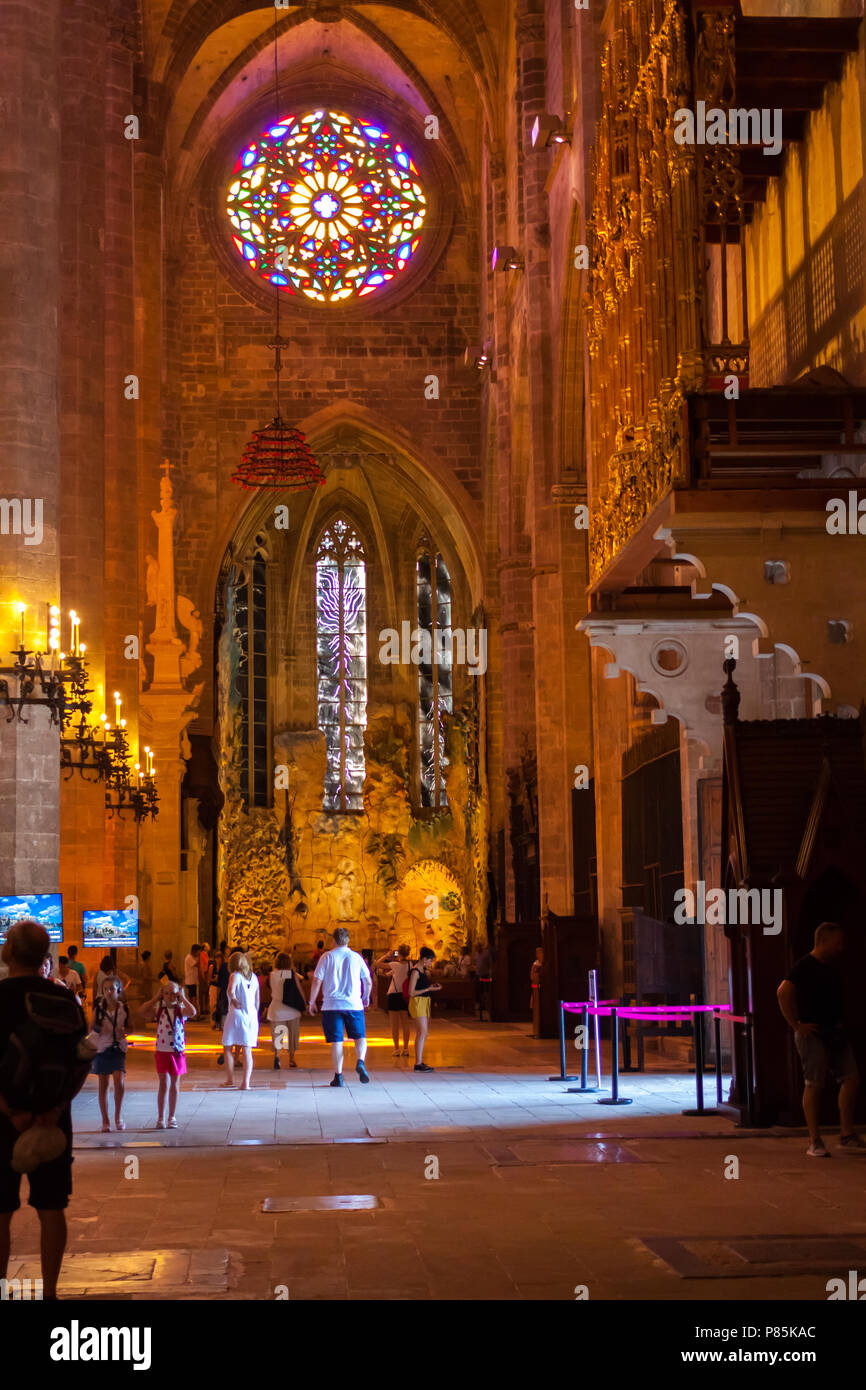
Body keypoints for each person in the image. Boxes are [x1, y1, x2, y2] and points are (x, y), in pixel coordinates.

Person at [0, 921, 87, 1300]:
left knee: (0, 1211)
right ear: (46, 957)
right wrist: (56, 1108)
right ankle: (49, 1290)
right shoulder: (64, 999)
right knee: (52, 1207)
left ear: (7, 953)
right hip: (54, 1120)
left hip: (2, 1121)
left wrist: (11, 1110)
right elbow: (80, 1060)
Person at [777, 921, 864, 1158]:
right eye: (837, 943)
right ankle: (814, 1140)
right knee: (813, 1084)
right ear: (823, 941)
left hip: (835, 1031)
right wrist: (796, 1024)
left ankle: (846, 1135)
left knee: (851, 1079)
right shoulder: (804, 966)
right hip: (813, 1033)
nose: (841, 947)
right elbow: (783, 992)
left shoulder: (832, 965)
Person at [308, 928, 372, 1088]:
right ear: (348, 940)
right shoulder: (356, 957)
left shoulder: (327, 956)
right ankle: (360, 1061)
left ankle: (338, 1076)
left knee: (337, 1041)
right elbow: (368, 980)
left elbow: (316, 981)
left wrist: (311, 1001)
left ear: (333, 940)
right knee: (360, 1037)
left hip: (331, 1005)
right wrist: (366, 997)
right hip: (353, 1004)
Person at [141, 980, 195, 1128]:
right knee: (163, 1083)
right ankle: (160, 1117)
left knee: (175, 1084)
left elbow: (193, 1012)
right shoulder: (159, 1009)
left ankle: (172, 1116)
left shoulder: (180, 1009)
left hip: (177, 1051)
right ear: (162, 994)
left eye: (173, 993)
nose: (170, 996)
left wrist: (182, 997)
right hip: (162, 1050)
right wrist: (156, 998)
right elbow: (142, 1011)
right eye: (166, 993)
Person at [89, 976, 129, 1132]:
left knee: (119, 1081)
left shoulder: (124, 1009)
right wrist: (99, 1030)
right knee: (103, 1084)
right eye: (105, 989)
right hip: (102, 1047)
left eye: (112, 988)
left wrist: (124, 1031)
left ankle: (118, 1117)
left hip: (117, 1047)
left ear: (118, 990)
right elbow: (91, 1027)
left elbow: (131, 1027)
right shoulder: (98, 1009)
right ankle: (105, 1120)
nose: (108, 992)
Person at [220, 952, 259, 1090]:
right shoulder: (254, 977)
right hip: (251, 1016)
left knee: (228, 1047)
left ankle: (230, 1079)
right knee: (247, 1051)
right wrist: (254, 1014)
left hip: (236, 1014)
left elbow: (231, 990)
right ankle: (245, 1083)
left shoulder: (235, 975)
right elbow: (257, 1000)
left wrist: (234, 1000)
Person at [268, 953, 304, 1070]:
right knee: (292, 1034)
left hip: (277, 1008)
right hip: (292, 1009)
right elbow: (299, 988)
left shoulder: (272, 974)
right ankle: (292, 1058)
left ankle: (277, 1056)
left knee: (278, 1034)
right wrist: (305, 1003)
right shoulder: (290, 974)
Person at [374, 944, 411, 1057]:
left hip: (394, 995)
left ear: (398, 953)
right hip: (404, 995)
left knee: (394, 1024)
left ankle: (396, 1049)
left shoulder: (394, 964)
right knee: (405, 1023)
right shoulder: (410, 964)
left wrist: (387, 955)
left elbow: (377, 964)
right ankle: (405, 1048)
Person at [408, 947, 441, 1072]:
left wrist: (431, 987)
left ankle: (419, 1061)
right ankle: (418, 1063)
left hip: (424, 1002)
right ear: (424, 959)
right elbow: (411, 992)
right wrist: (428, 989)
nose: (430, 963)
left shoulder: (423, 970)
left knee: (423, 1032)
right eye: (430, 960)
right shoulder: (415, 971)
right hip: (418, 1002)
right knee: (422, 1032)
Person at [474, 941, 492, 1022]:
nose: (476, 948)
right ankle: (480, 1013)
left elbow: (490, 963)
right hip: (478, 975)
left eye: (477, 947)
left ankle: (488, 1012)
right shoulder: (476, 954)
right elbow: (477, 963)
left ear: (480, 946)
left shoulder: (486, 953)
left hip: (485, 975)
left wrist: (490, 973)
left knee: (486, 992)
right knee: (478, 992)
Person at [530, 947, 543, 1039]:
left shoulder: (545, 963)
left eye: (539, 953)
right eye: (537, 953)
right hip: (536, 987)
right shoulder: (536, 963)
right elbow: (532, 976)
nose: (537, 955)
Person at [197, 943, 210, 1017]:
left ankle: (205, 1008)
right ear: (204, 947)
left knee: (206, 991)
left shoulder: (206, 954)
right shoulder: (202, 954)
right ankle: (203, 1008)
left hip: (206, 973)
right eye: (207, 945)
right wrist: (203, 975)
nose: (209, 947)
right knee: (203, 991)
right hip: (204, 974)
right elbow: (202, 965)